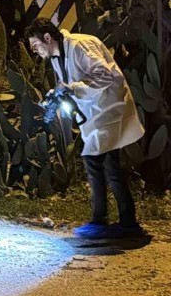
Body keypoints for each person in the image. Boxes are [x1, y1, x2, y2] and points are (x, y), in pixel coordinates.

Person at [25, 18, 146, 239]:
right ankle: (123, 223)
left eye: (35, 45)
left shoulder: (80, 46)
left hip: (109, 108)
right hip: (97, 115)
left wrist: (72, 88)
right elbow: (70, 84)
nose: (35, 51)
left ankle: (106, 223)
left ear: (47, 38)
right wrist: (58, 93)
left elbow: (105, 75)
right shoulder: (57, 57)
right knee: (108, 166)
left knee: (97, 162)